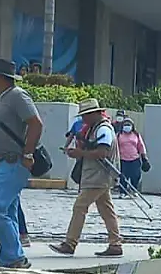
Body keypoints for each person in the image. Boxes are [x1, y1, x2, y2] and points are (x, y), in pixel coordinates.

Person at [0, 57, 43, 269]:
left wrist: (28, 154)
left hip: (14, 162)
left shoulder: (17, 96)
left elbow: (35, 124)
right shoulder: (3, 99)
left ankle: (14, 257)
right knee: (8, 212)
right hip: (1, 164)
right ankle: (11, 258)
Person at [49, 98, 124, 257]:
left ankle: (70, 243)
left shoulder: (103, 129)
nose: (83, 119)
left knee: (80, 207)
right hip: (98, 176)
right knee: (106, 209)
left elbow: (102, 152)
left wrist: (80, 153)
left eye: (85, 115)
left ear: (93, 114)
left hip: (98, 176)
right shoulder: (96, 128)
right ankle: (115, 243)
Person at [116, 115, 149, 194]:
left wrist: (144, 158)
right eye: (125, 125)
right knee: (123, 177)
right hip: (123, 159)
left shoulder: (136, 135)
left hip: (135, 159)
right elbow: (115, 147)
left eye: (129, 125)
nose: (127, 126)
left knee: (136, 175)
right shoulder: (118, 135)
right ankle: (123, 192)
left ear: (132, 126)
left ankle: (134, 190)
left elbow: (141, 146)